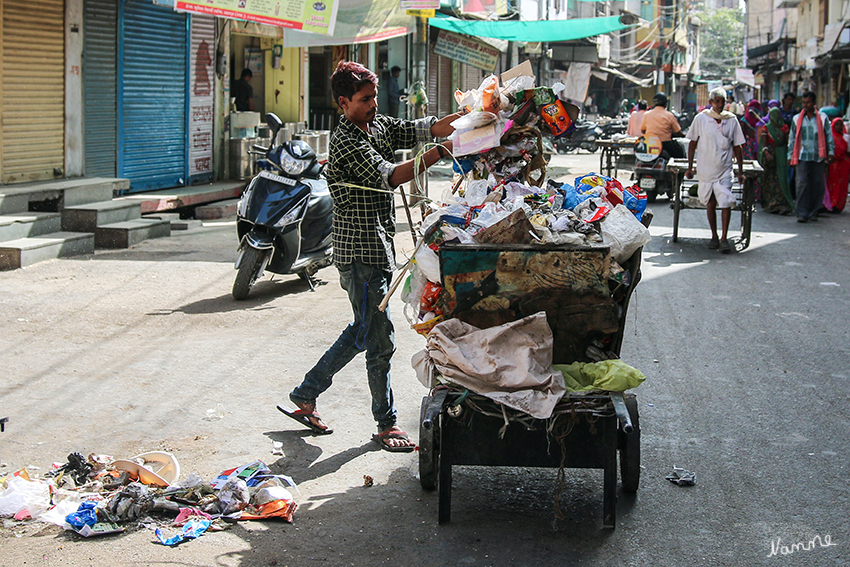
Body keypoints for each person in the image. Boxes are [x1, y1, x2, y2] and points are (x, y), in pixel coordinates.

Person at [280, 61, 469, 452]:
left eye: (375, 97)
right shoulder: (347, 141)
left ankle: (307, 393)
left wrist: (474, 117)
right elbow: (392, 175)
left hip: (379, 245)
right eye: (365, 99)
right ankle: (385, 423)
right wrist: (441, 152)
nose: (373, 104)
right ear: (343, 102)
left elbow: (424, 126)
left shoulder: (378, 123)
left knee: (367, 332)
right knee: (375, 338)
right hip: (359, 252)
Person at [685, 87, 746, 253]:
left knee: (725, 201)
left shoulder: (732, 120)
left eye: (722, 101)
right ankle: (714, 235)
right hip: (706, 168)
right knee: (710, 202)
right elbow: (692, 143)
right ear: (711, 103)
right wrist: (690, 167)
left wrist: (740, 171)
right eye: (717, 101)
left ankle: (724, 238)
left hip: (725, 168)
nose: (720, 105)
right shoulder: (701, 119)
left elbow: (738, 147)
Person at [788, 91, 834, 223]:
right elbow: (792, 138)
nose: (805, 105)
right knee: (802, 184)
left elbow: (828, 136)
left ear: (814, 103)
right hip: (802, 156)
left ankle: (813, 211)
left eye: (808, 102)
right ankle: (802, 212)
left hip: (818, 156)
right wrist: (790, 155)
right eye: (804, 102)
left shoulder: (823, 118)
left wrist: (831, 152)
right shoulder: (797, 119)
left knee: (817, 185)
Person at [758, 107, 794, 215]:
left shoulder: (785, 128)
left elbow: (787, 142)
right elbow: (764, 145)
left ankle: (783, 204)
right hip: (770, 159)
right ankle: (772, 204)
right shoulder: (766, 128)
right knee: (770, 181)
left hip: (781, 156)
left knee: (781, 179)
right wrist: (767, 154)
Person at [640, 92, 685, 158]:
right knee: (680, 150)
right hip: (665, 144)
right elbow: (677, 132)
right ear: (665, 104)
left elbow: (643, 130)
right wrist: (683, 135)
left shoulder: (646, 114)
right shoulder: (669, 115)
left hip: (650, 144)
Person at [828, 117, 849, 213]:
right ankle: (831, 203)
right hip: (833, 164)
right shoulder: (830, 137)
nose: (839, 126)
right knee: (832, 183)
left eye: (841, 124)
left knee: (842, 184)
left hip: (844, 164)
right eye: (837, 124)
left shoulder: (846, 137)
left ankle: (839, 205)